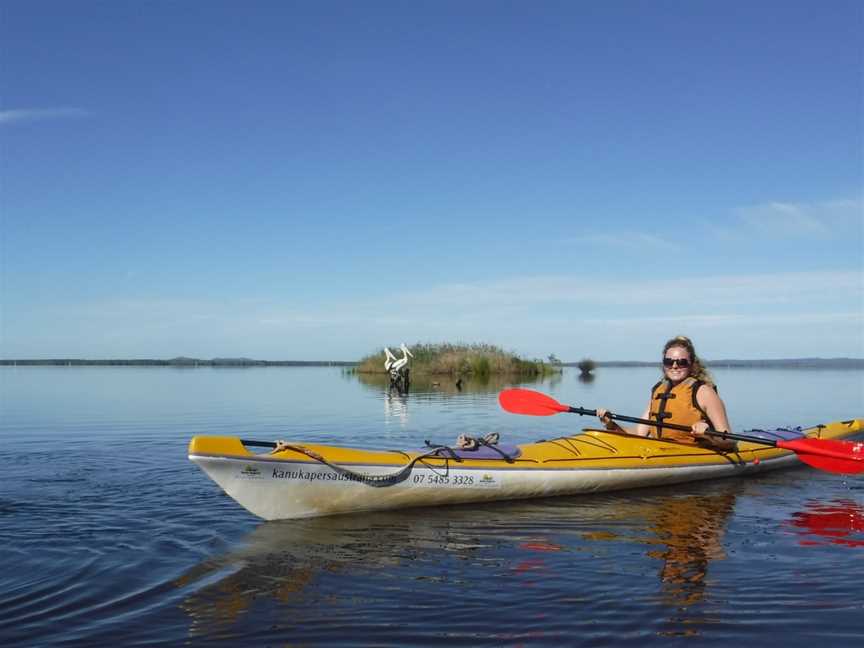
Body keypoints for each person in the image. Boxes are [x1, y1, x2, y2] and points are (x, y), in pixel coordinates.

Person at [596, 336, 736, 451]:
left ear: (692, 364)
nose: (674, 366)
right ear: (663, 364)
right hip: (660, 450)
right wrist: (610, 424)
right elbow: (639, 433)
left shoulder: (704, 392)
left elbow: (729, 440)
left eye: (681, 362)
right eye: (669, 361)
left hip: (693, 452)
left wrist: (708, 435)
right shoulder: (659, 391)